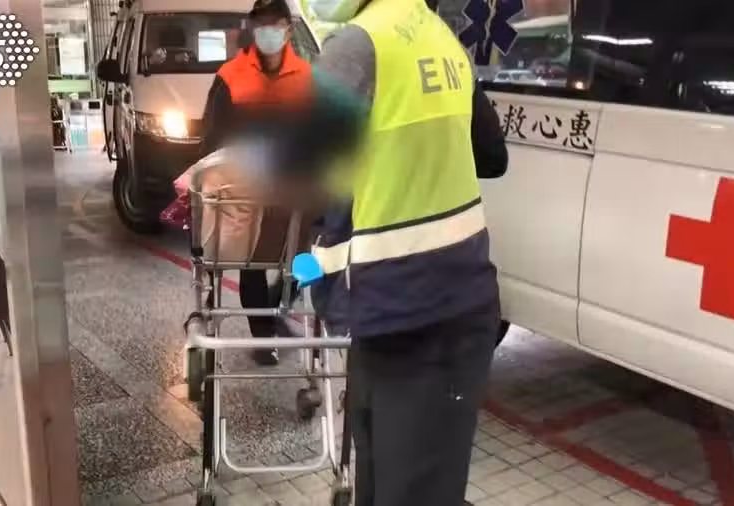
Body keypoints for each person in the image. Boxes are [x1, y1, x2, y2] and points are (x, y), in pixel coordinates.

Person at [243, 0, 509, 503]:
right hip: (438, 307)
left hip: (405, 315)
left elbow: (291, 168)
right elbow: (493, 156)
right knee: (394, 485)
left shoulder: (358, 47)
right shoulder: (441, 38)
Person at [199, 0, 312, 366]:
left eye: (275, 25)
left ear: (288, 29)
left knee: (306, 260)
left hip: (290, 195)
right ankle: (265, 337)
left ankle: (280, 305)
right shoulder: (231, 77)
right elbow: (212, 141)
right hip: (244, 193)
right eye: (261, 25)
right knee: (251, 265)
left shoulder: (305, 78)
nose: (268, 33)